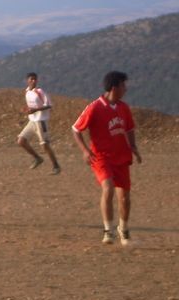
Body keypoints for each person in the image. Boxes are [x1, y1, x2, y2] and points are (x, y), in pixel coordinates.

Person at [72, 71, 142, 245]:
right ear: (114, 87)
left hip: (122, 156)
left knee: (124, 197)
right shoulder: (94, 107)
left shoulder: (124, 108)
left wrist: (133, 147)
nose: (126, 89)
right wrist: (85, 151)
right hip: (101, 157)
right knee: (108, 188)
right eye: (123, 85)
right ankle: (108, 230)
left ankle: (123, 230)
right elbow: (75, 129)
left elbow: (130, 128)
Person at [17, 72, 61, 174]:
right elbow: (31, 106)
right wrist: (27, 111)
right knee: (21, 141)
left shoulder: (40, 92)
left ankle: (56, 166)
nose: (34, 81)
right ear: (27, 80)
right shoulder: (27, 92)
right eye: (31, 79)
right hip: (32, 121)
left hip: (41, 121)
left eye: (35, 79)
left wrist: (35, 110)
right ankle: (37, 158)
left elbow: (49, 105)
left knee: (45, 145)